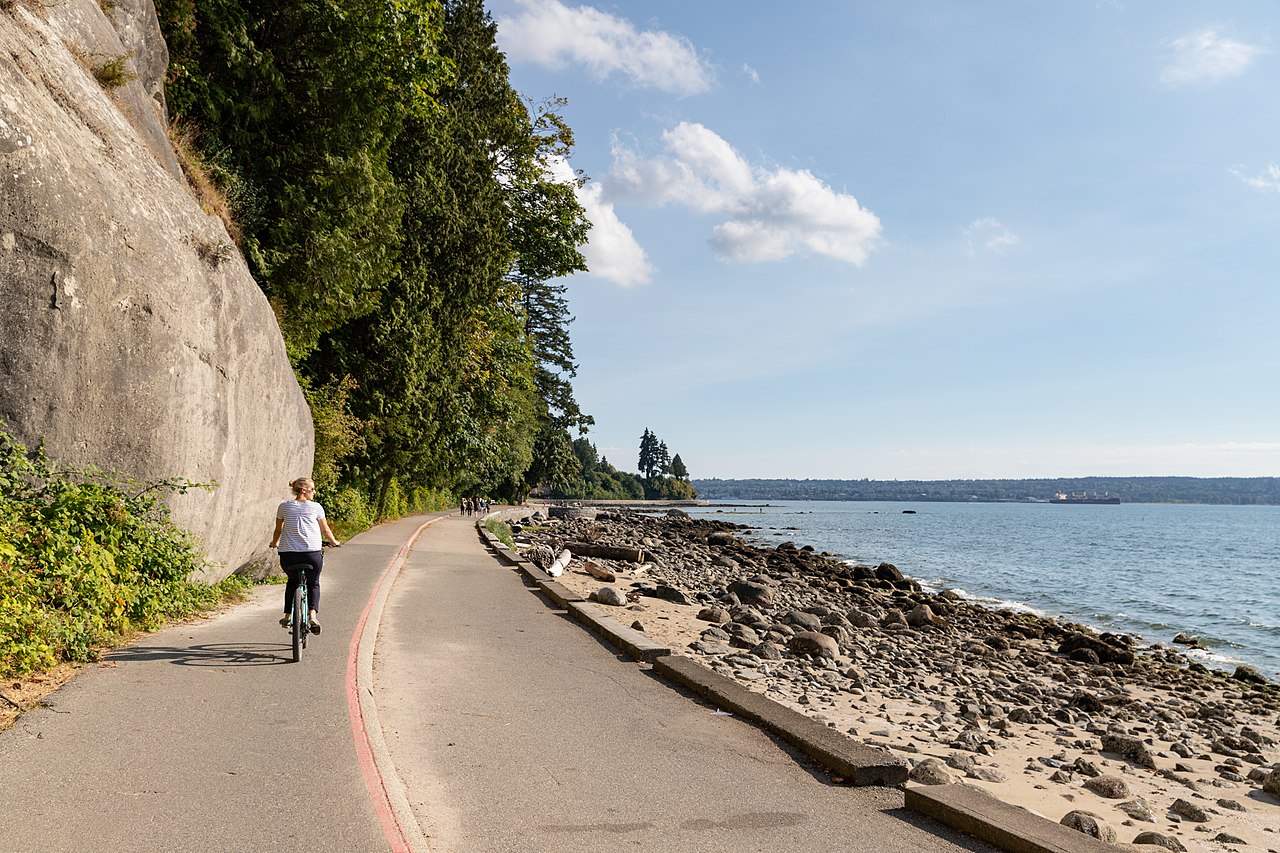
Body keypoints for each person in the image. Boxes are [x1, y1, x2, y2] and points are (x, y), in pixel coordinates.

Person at [270, 477, 340, 634]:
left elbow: (278, 530)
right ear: (303, 490)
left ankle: (287, 616)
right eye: (312, 489)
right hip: (311, 555)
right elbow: (325, 530)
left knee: (292, 581)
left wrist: (274, 543)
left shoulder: (283, 507)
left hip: (289, 556)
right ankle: (312, 616)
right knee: (313, 583)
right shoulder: (316, 507)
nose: (314, 492)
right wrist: (334, 542)